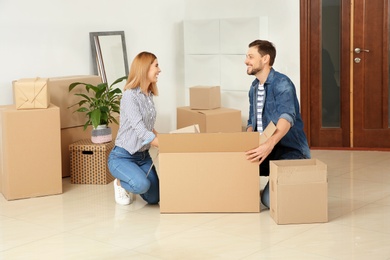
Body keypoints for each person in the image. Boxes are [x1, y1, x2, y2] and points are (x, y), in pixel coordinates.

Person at [244, 40, 311, 209]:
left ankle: (300, 181)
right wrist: (249, 143)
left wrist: (268, 144)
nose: (246, 61)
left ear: (265, 59)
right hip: (268, 150)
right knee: (233, 170)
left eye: (251, 57)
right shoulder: (253, 88)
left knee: (269, 201)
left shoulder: (282, 83)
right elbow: (252, 122)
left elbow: (287, 118)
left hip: (290, 151)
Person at [108, 51, 161, 205]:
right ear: (145, 68)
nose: (159, 70)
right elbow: (141, 131)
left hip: (143, 156)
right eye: (156, 66)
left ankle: (134, 178)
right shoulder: (130, 96)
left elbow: (149, 128)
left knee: (154, 198)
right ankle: (119, 183)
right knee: (141, 185)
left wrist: (164, 138)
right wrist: (163, 144)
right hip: (123, 156)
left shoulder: (148, 96)